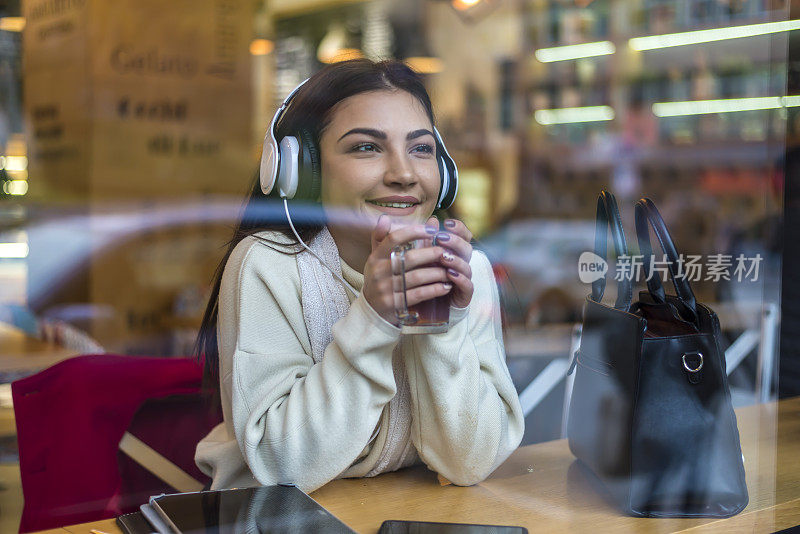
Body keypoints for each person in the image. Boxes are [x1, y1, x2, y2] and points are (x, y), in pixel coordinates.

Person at [194, 59, 523, 492]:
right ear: (303, 171)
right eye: (367, 147)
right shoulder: (267, 264)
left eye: (421, 148)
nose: (404, 174)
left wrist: (441, 325)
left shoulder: (465, 269)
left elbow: (468, 463)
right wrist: (375, 319)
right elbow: (281, 467)